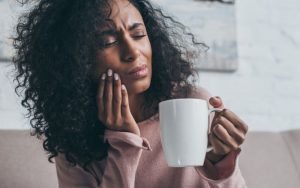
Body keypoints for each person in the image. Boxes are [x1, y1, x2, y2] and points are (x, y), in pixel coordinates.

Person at [13, 0, 248, 187]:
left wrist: (220, 160)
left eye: (138, 35)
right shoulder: (72, 142)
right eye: (108, 42)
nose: (133, 52)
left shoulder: (193, 101)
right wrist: (124, 143)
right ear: (77, 61)